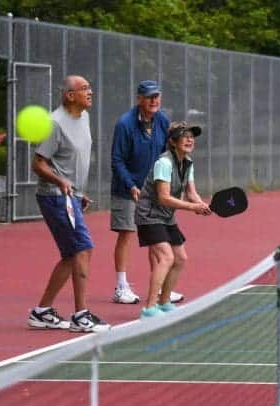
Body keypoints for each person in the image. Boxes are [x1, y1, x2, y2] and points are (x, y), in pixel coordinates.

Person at [27, 75, 110, 333]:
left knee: (70, 255)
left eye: (90, 86)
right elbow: (38, 163)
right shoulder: (54, 124)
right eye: (84, 88)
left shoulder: (83, 117)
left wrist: (77, 191)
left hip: (69, 195)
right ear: (69, 95)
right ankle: (81, 315)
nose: (90, 91)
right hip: (54, 196)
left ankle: (41, 312)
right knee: (83, 249)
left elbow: (71, 161)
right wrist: (61, 182)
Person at [110, 80, 184, 305]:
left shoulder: (162, 120)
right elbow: (117, 159)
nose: (154, 101)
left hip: (153, 190)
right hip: (127, 189)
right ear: (139, 99)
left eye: (157, 96)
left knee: (156, 236)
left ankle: (161, 286)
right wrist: (132, 186)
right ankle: (121, 286)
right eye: (149, 97)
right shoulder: (125, 124)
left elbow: (167, 152)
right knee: (127, 233)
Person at [134, 121, 212, 318]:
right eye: (184, 136)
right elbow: (163, 197)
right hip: (149, 214)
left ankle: (164, 302)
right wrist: (192, 207)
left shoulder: (187, 163)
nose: (189, 139)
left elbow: (191, 192)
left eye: (191, 136)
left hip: (166, 217)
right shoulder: (164, 163)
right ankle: (149, 308)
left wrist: (201, 204)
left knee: (180, 258)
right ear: (172, 141)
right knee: (166, 257)